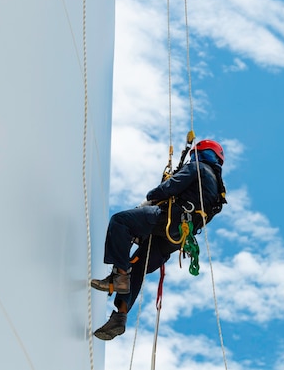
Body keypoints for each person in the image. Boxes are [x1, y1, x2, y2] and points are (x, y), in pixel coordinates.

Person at [91, 139, 226, 340]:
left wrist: (151, 197)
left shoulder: (197, 168)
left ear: (199, 153)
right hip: (177, 238)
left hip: (168, 219)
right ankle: (120, 316)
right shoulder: (218, 189)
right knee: (137, 268)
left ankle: (119, 276)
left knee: (120, 222)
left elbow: (169, 188)